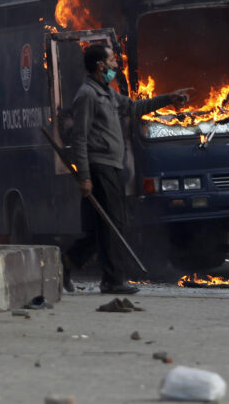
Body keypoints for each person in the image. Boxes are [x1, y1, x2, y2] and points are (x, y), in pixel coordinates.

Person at [62, 43, 190, 295]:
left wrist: (168, 99)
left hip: (113, 166)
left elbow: (134, 108)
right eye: (112, 61)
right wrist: (85, 177)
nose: (115, 65)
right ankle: (112, 280)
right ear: (100, 65)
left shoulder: (106, 93)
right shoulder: (87, 95)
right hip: (100, 167)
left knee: (105, 224)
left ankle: (66, 263)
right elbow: (79, 138)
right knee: (113, 224)